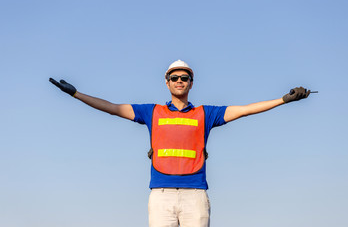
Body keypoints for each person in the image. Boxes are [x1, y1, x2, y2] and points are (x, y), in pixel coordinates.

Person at [49, 60, 311, 227]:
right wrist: (76, 94)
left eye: (184, 77)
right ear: (167, 82)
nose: (179, 81)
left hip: (195, 196)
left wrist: (283, 100)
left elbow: (245, 110)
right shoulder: (151, 112)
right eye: (174, 77)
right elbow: (112, 108)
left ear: (191, 83)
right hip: (160, 196)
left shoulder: (207, 114)